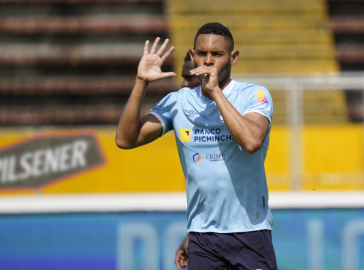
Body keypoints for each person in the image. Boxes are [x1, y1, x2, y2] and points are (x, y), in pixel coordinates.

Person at [116, 22, 277, 270]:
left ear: (233, 58)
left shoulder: (253, 95)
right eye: (202, 54)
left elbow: (252, 141)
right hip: (203, 238)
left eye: (217, 54)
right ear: (193, 56)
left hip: (250, 231)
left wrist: (215, 92)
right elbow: (125, 140)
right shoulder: (177, 102)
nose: (208, 60)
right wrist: (140, 82)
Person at [174, 51, 201, 270]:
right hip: (207, 237)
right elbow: (124, 139)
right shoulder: (185, 116)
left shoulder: (241, 107)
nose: (183, 85)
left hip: (246, 237)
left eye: (188, 78)